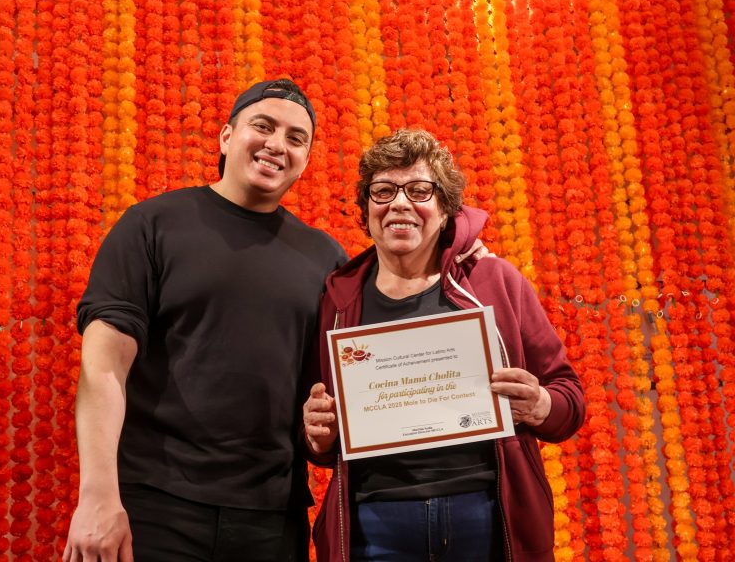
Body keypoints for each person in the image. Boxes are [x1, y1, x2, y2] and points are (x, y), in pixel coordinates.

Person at [62, 79, 348, 562]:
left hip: (273, 517)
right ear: (225, 136)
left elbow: (321, 405)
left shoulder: (327, 260)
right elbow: (105, 365)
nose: (277, 144)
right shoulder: (152, 225)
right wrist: (98, 496)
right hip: (155, 505)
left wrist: (323, 437)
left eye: (297, 138)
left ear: (306, 159)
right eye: (264, 126)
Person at [302, 128, 586, 562]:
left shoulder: (495, 281)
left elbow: (569, 398)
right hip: (374, 520)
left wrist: (540, 404)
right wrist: (319, 435)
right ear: (366, 208)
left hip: (486, 514)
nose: (399, 203)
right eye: (383, 191)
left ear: (445, 207)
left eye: (419, 190)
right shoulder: (338, 300)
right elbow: (324, 435)